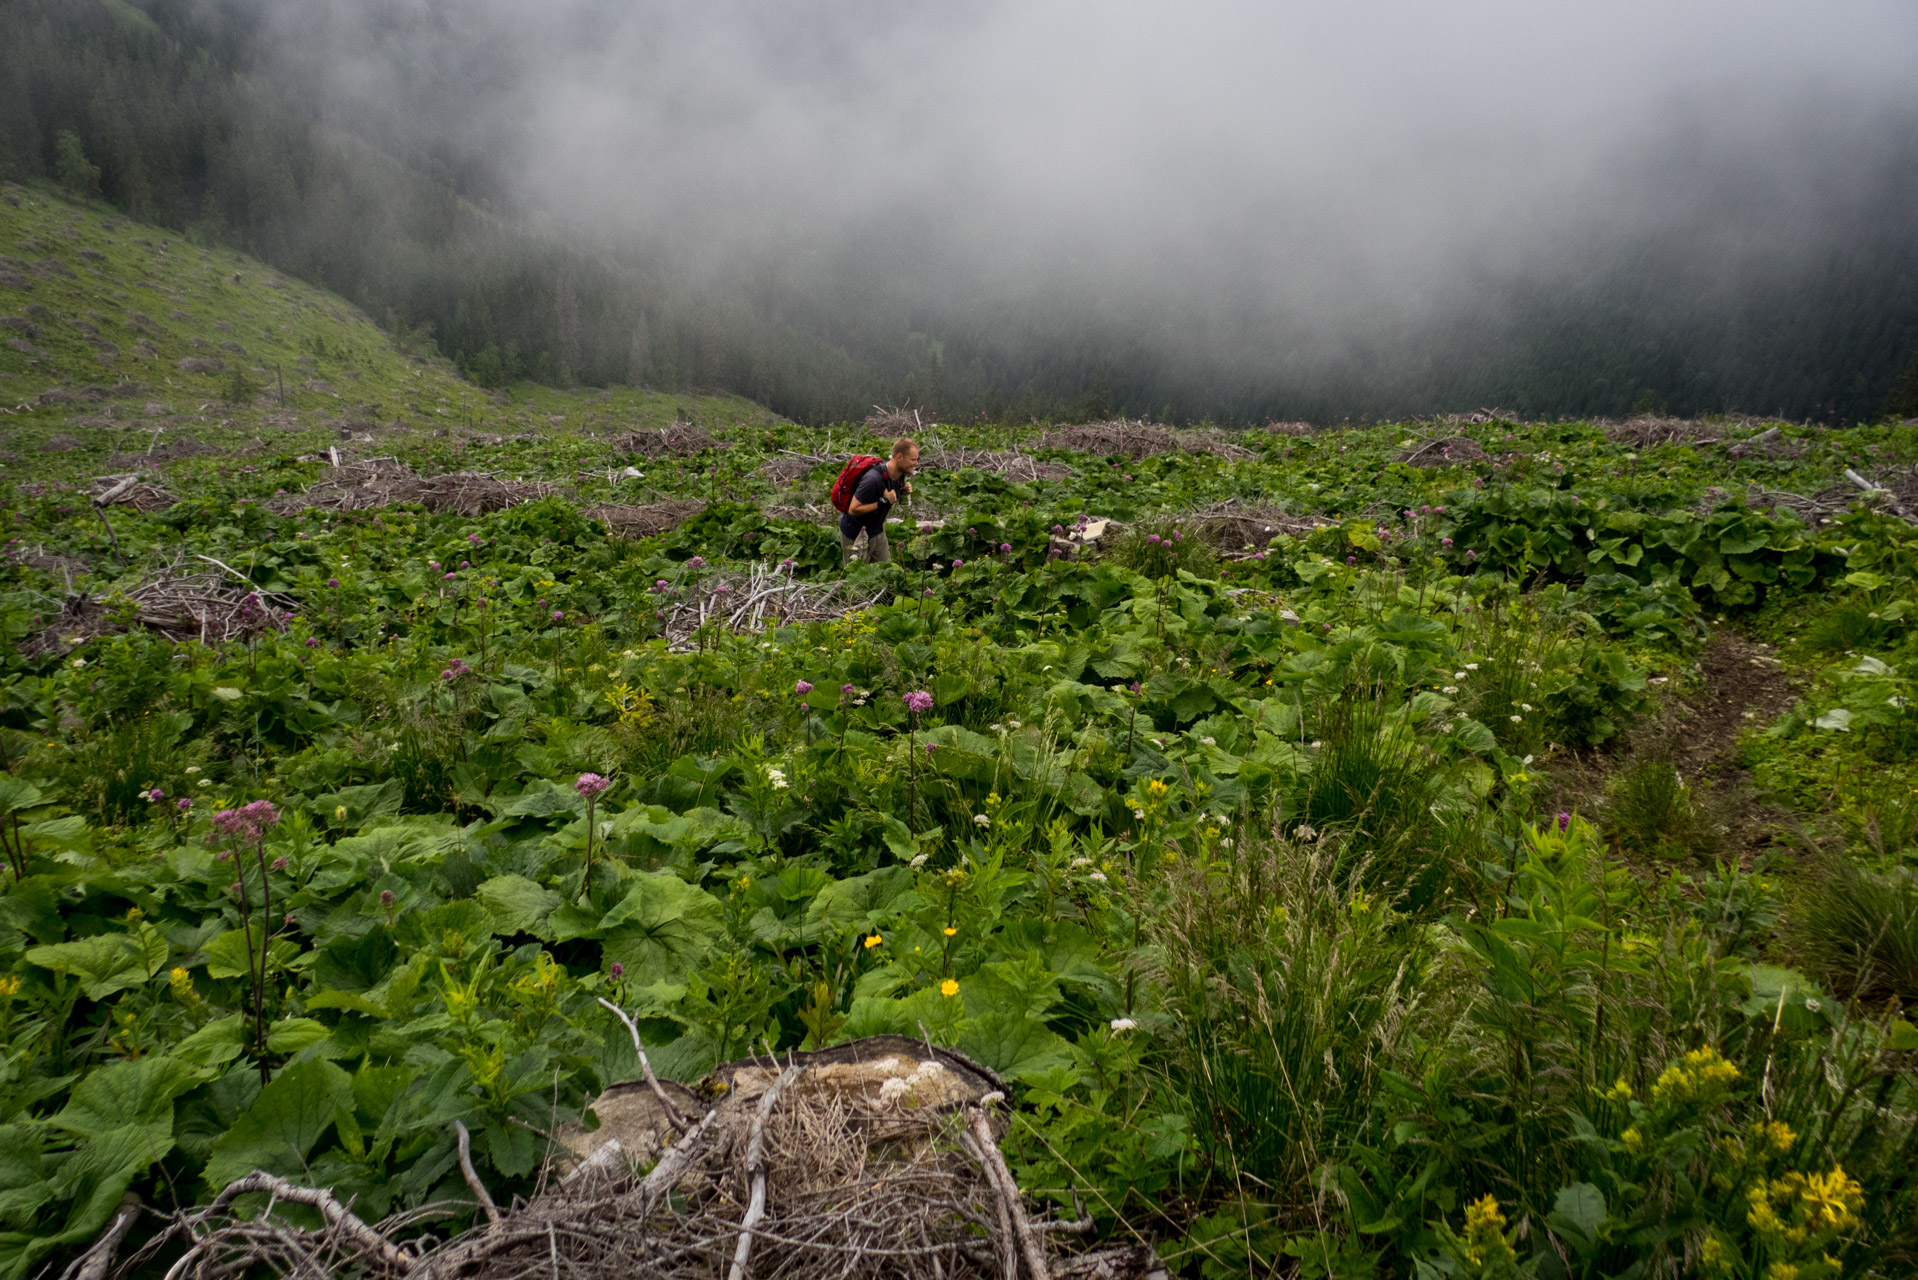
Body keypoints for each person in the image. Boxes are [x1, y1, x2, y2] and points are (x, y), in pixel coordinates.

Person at [841, 437, 919, 564]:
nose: (916, 463)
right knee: (859, 578)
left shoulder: (898, 475)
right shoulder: (872, 479)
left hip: (877, 530)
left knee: (885, 572)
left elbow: (891, 496)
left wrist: (902, 491)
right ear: (899, 457)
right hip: (856, 533)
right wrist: (883, 502)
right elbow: (853, 509)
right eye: (913, 459)